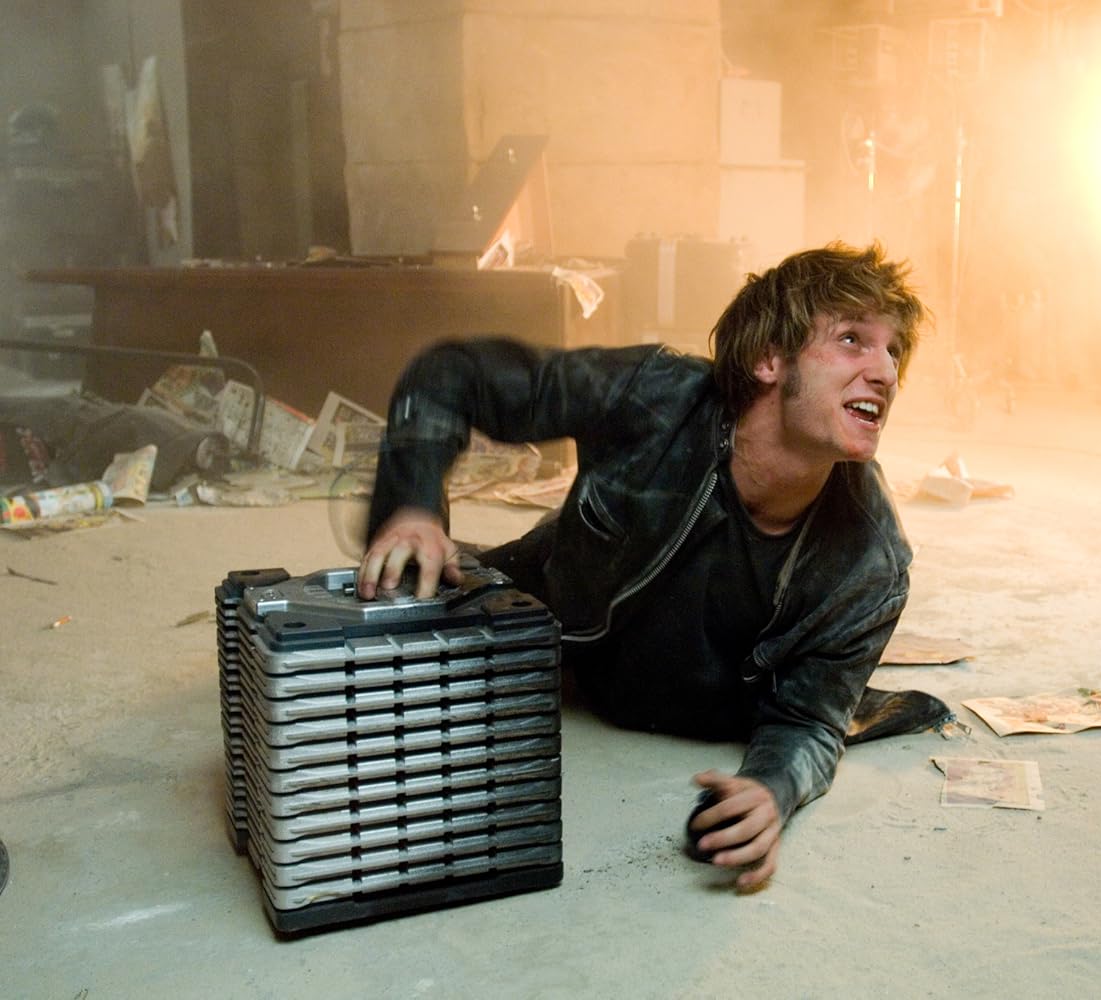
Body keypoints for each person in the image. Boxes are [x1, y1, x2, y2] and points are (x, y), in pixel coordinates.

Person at [357, 242, 948, 890]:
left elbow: (808, 720)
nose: (885, 372)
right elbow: (453, 375)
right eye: (853, 340)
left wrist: (771, 791)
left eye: (893, 352)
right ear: (769, 359)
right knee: (379, 607)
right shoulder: (654, 396)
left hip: (697, 706)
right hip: (554, 617)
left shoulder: (871, 560)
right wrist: (413, 508)